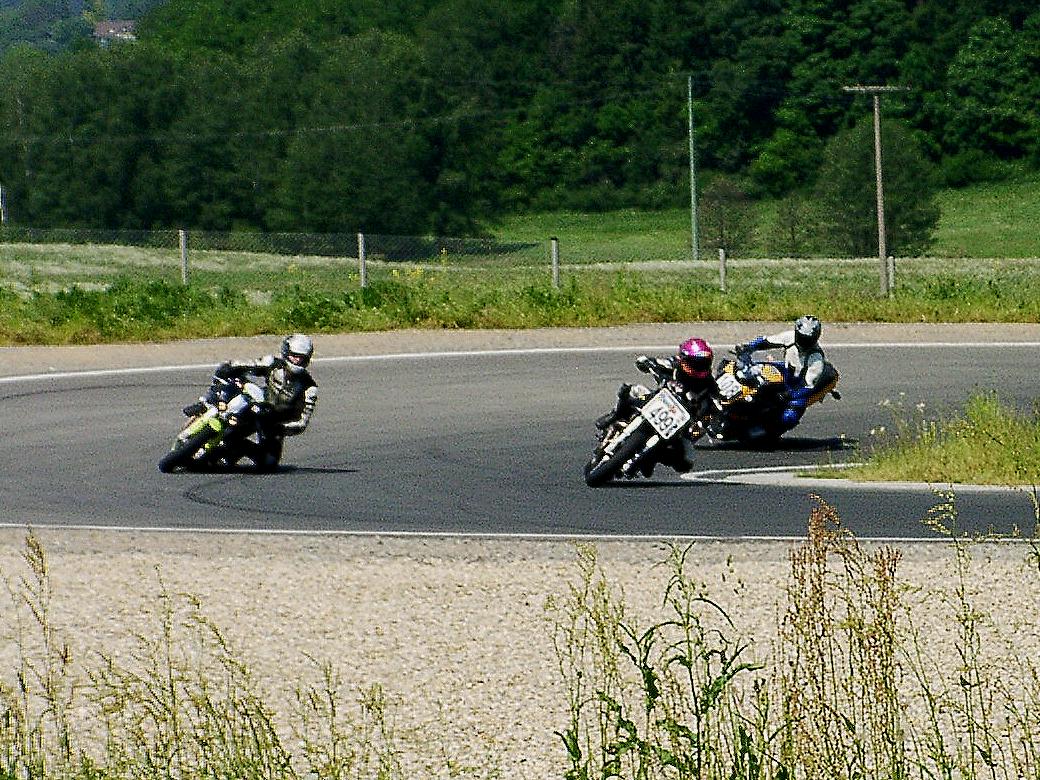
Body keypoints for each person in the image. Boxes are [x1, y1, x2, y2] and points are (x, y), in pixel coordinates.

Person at [183, 333, 318, 469]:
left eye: (301, 358)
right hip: (255, 405)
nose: (297, 361)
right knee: (230, 382)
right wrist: (230, 368)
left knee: (268, 464)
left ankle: (232, 451)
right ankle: (205, 404)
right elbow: (246, 365)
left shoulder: (309, 387)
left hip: (272, 423)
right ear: (285, 352)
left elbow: (302, 423)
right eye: (294, 356)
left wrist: (279, 428)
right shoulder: (272, 363)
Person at [595, 337, 717, 474]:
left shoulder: (709, 384)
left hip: (679, 427)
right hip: (655, 402)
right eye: (696, 362)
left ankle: (652, 456)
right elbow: (653, 363)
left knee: (686, 462)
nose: (699, 366)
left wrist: (703, 422)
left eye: (704, 363)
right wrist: (647, 362)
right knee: (632, 390)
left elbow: (715, 405)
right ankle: (615, 415)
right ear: (683, 358)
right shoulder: (673, 364)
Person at [732, 314, 837, 436]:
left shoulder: (816, 358)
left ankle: (767, 433)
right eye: (802, 337)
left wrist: (788, 394)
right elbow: (766, 341)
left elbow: (808, 386)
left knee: (789, 417)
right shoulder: (790, 337)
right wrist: (748, 347)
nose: (804, 342)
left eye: (808, 339)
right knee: (755, 371)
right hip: (786, 371)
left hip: (797, 388)